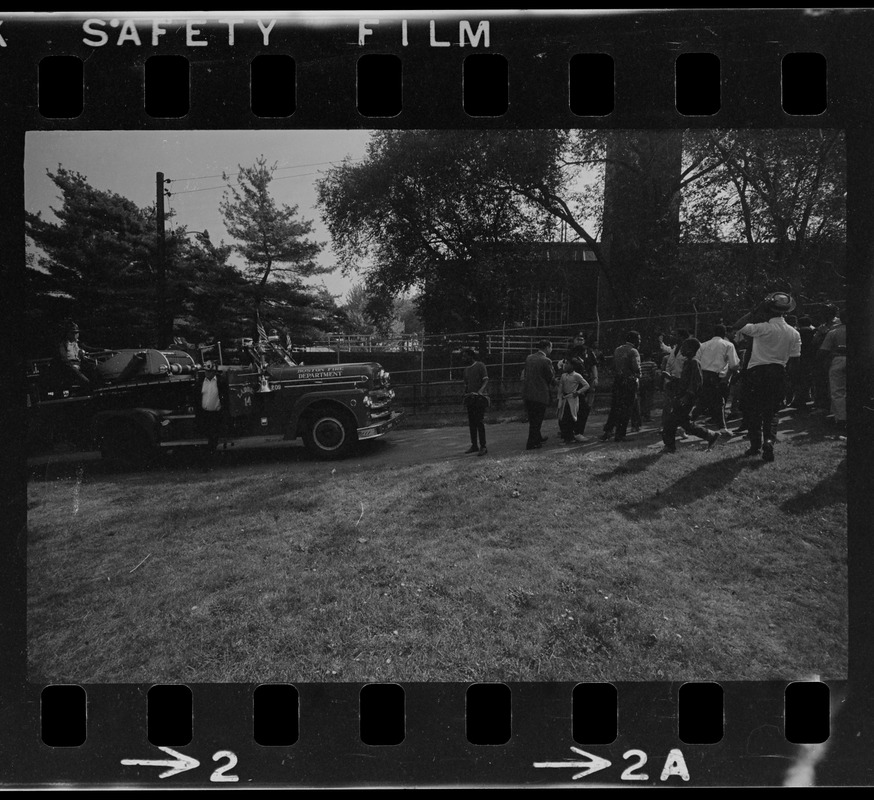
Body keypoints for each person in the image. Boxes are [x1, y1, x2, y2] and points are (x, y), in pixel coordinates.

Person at [732, 292, 802, 462]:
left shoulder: (763, 328)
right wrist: (790, 382)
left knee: (754, 410)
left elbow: (738, 325)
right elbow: (795, 359)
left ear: (769, 309)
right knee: (772, 411)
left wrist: (755, 311)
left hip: (757, 373)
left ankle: (755, 445)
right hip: (778, 372)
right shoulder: (794, 333)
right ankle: (769, 441)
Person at [661, 338, 720, 453]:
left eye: (684, 347)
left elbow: (696, 382)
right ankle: (710, 435)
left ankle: (669, 446)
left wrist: (687, 396)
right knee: (685, 423)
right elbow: (684, 381)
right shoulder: (687, 362)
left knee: (670, 420)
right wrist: (671, 378)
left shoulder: (694, 362)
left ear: (691, 349)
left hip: (686, 398)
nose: (681, 349)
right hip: (682, 396)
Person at [694, 324, 739, 433]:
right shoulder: (728, 345)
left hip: (703, 375)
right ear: (724, 334)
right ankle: (722, 428)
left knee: (703, 401)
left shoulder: (703, 345)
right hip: (716, 376)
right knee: (719, 401)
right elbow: (734, 365)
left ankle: (685, 422)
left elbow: (696, 361)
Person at [601, 330, 641, 442]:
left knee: (615, 407)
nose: (640, 341)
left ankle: (608, 431)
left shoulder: (617, 349)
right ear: (634, 340)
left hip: (618, 380)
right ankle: (620, 434)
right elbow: (636, 368)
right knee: (626, 408)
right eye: (639, 339)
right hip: (629, 381)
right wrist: (638, 377)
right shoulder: (634, 351)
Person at [560, 332, 599, 439]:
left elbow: (593, 366)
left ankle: (576, 431)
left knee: (583, 407)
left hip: (585, 382)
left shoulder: (588, 352)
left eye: (581, 339)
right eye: (577, 339)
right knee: (572, 408)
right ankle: (572, 431)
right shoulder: (569, 352)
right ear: (573, 340)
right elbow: (564, 366)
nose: (580, 341)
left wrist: (595, 378)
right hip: (572, 383)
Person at [522, 339, 556, 450]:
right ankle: (532, 443)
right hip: (540, 393)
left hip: (528, 392)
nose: (551, 349)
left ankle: (537, 437)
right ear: (547, 347)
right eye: (551, 347)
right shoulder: (546, 360)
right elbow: (550, 377)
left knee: (532, 418)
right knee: (537, 419)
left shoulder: (529, 358)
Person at [818, 307, 847, 432]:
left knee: (837, 390)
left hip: (838, 359)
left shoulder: (834, 331)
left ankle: (841, 419)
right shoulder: (863, 330)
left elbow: (823, 351)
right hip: (859, 361)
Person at [57, 320, 101, 388]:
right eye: (73, 333)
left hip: (80, 365)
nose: (75, 335)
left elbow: (89, 349)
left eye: (77, 333)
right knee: (84, 379)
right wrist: (73, 367)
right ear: (68, 333)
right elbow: (64, 359)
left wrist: (103, 350)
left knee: (95, 370)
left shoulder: (79, 343)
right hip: (70, 367)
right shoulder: (63, 344)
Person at [461, 348, 489, 455]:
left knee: (479, 422)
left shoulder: (480, 365)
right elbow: (466, 384)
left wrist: (480, 391)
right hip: (470, 399)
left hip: (479, 398)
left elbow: (486, 379)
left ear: (470, 356)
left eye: (465, 356)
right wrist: (465, 393)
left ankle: (483, 446)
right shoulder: (466, 370)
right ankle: (474, 445)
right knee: (472, 423)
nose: (463, 359)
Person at [557, 358, 590, 444]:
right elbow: (561, 386)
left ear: (573, 366)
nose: (566, 365)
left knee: (571, 417)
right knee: (563, 418)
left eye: (568, 364)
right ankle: (566, 437)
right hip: (565, 398)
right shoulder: (564, 376)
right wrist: (559, 396)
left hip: (572, 398)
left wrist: (578, 392)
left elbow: (586, 385)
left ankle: (570, 437)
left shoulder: (577, 376)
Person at [198, 360, 224, 459]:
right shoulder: (200, 382)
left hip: (216, 414)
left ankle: (210, 457)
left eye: (210, 371)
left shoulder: (220, 381)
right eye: (206, 371)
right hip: (205, 414)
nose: (207, 373)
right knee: (207, 435)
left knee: (213, 437)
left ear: (214, 372)